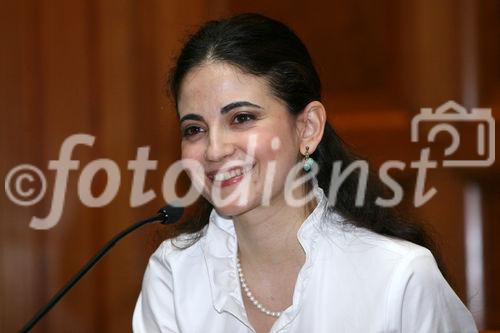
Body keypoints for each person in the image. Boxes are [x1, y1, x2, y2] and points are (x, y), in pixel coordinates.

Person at [133, 13, 478, 333]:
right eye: (194, 129)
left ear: (308, 128)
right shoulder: (174, 276)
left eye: (241, 118)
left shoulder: (400, 277)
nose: (214, 150)